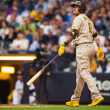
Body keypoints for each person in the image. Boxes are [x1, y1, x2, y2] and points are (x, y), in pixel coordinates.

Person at [58, 1, 104, 107]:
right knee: (80, 75)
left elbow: (73, 33)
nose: (74, 8)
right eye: (73, 7)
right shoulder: (88, 20)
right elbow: (96, 36)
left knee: (84, 72)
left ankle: (96, 95)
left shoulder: (77, 19)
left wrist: (64, 45)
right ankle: (75, 98)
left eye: (76, 7)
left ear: (81, 9)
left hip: (82, 47)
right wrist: (100, 49)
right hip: (91, 47)